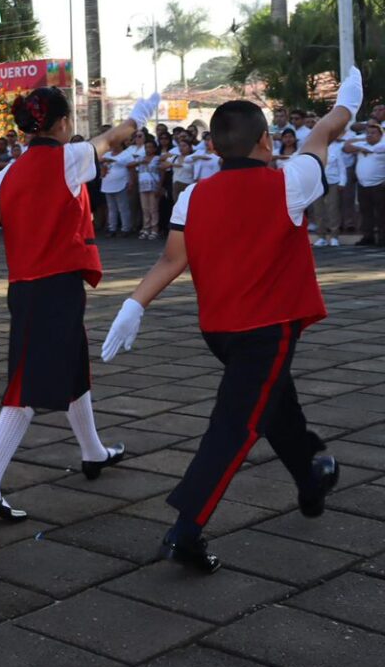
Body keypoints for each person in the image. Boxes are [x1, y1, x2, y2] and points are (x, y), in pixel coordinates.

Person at [101, 72, 362, 572]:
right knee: (236, 424)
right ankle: (187, 528)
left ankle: (311, 480)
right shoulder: (291, 181)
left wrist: (134, 305)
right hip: (267, 328)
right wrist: (347, 103)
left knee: (275, 403)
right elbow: (320, 135)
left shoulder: (193, 195)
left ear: (216, 146)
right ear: (265, 141)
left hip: (219, 329)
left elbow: (169, 262)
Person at [0, 88, 158, 521]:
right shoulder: (69, 156)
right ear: (61, 123)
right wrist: (137, 117)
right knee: (26, 386)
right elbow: (112, 139)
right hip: (54, 287)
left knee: (73, 367)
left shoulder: (12, 170)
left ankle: (92, 451)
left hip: (26, 287)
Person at [346, 120, 385, 245]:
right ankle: (368, 237)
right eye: (367, 133)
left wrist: (363, 147)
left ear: (380, 135)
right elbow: (346, 147)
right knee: (365, 212)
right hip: (363, 185)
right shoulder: (363, 144)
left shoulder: (383, 145)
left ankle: (383, 238)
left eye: (373, 133)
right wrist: (362, 143)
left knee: (381, 213)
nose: (369, 135)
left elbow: (377, 149)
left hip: (379, 185)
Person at [100, 132, 140, 237]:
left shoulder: (126, 154)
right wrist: (103, 171)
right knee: (111, 208)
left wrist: (131, 182)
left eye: (115, 144)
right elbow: (103, 168)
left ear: (120, 144)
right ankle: (112, 228)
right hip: (108, 184)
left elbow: (132, 169)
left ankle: (126, 228)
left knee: (123, 207)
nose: (113, 146)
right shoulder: (106, 155)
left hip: (121, 183)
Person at [133, 134, 163, 241]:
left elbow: (161, 172)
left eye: (150, 147)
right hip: (143, 185)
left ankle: (155, 229)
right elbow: (131, 166)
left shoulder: (157, 158)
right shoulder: (141, 159)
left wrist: (160, 186)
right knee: (145, 208)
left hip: (153, 185)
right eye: (146, 147)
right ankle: (146, 228)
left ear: (155, 149)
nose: (148, 149)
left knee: (153, 209)